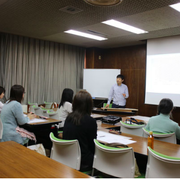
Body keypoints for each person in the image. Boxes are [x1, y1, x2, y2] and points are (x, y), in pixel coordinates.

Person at [63, 90, 97, 171]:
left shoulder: (69, 118)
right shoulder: (90, 121)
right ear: (89, 105)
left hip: (67, 157)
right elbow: (93, 146)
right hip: (83, 161)